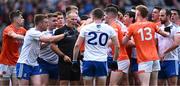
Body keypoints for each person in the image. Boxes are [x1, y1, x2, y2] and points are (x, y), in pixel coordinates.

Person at [16, 14, 70, 86]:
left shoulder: (39, 33)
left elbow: (46, 42)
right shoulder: (32, 32)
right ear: (40, 24)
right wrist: (65, 34)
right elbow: (49, 39)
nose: (48, 24)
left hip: (34, 64)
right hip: (24, 64)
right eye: (46, 23)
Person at [122, 5, 169, 86]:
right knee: (154, 84)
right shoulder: (152, 25)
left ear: (138, 13)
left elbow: (123, 42)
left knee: (144, 84)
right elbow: (166, 34)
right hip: (155, 58)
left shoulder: (132, 26)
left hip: (144, 59)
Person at [73, 8, 120, 86]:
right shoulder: (109, 28)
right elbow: (117, 46)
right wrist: (114, 60)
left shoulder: (86, 28)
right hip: (101, 61)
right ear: (103, 17)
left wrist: (74, 60)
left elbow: (77, 45)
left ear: (92, 16)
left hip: (88, 60)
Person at [52, 12, 80, 86]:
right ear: (67, 19)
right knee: (64, 83)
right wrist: (63, 56)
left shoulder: (77, 31)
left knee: (75, 83)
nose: (74, 21)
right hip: (64, 62)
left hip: (75, 61)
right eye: (72, 19)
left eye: (75, 19)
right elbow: (52, 46)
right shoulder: (59, 31)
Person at [104, 7, 129, 85]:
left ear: (108, 16)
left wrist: (101, 46)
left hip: (120, 58)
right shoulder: (116, 25)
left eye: (104, 15)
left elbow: (113, 41)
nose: (104, 17)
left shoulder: (114, 26)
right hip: (123, 58)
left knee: (112, 84)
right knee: (124, 83)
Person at [0, 10, 26, 86]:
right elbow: (14, 35)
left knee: (17, 84)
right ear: (16, 20)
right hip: (5, 63)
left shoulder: (23, 30)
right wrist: (27, 38)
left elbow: (32, 36)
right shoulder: (8, 29)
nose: (23, 19)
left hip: (16, 62)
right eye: (21, 18)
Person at [157, 9, 180, 86]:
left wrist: (164, 52)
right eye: (160, 15)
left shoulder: (176, 28)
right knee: (159, 83)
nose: (160, 17)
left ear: (168, 16)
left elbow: (176, 43)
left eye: (162, 15)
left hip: (172, 60)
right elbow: (156, 44)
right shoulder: (158, 28)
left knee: (172, 84)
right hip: (160, 60)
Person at [37, 13, 60, 85]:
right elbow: (39, 47)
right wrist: (50, 39)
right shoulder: (42, 32)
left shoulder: (58, 31)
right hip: (43, 61)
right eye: (53, 21)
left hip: (55, 62)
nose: (56, 22)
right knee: (44, 84)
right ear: (48, 22)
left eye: (56, 21)